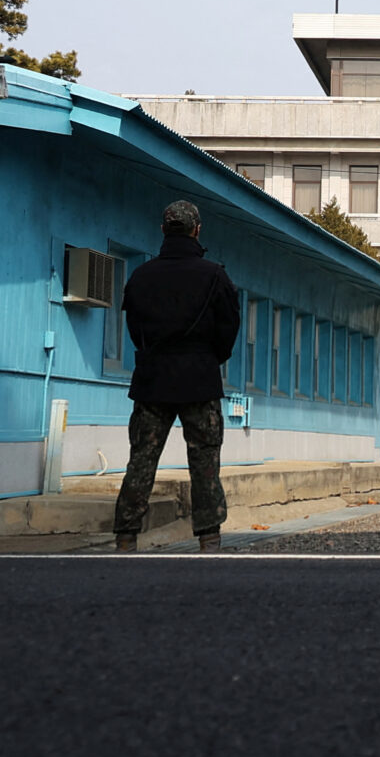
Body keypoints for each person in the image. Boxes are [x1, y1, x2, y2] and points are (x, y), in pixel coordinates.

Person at [112, 200, 243, 553]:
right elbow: (228, 329)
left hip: (152, 378)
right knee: (204, 459)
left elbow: (134, 329)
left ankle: (126, 536)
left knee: (142, 457)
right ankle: (209, 537)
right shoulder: (215, 275)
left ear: (163, 230)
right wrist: (208, 358)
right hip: (200, 378)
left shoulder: (141, 275)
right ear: (197, 230)